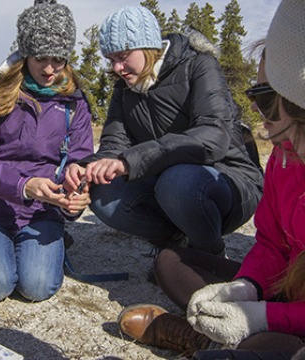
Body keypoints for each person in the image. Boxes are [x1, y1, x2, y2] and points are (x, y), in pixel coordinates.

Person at [115, 0, 305, 358]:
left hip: (293, 313)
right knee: (170, 263)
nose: (252, 109)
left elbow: (212, 134)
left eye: (264, 98)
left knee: (281, 349)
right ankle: (219, 336)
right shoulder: (284, 159)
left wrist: (263, 316)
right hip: (283, 289)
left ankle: (205, 340)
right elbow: (271, 243)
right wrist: (247, 287)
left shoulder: (198, 68)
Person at [65, 5, 263, 257]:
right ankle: (175, 246)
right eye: (111, 60)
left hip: (228, 181)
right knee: (104, 192)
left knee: (177, 182)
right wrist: (87, 168)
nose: (116, 68)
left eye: (123, 56)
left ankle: (209, 255)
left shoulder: (199, 66)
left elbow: (214, 135)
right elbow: (114, 147)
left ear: (148, 46)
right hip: (168, 186)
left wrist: (130, 162)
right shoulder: (123, 90)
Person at [0, 0, 93, 303]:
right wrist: (23, 186)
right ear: (25, 53)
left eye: (58, 59)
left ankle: (45, 245)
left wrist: (76, 194)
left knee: (37, 287)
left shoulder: (74, 102)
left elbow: (80, 158)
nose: (49, 69)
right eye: (41, 58)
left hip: (43, 213)